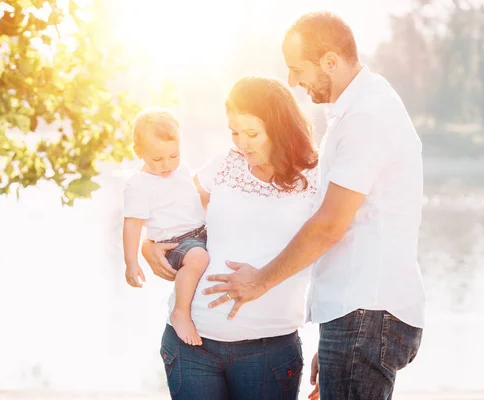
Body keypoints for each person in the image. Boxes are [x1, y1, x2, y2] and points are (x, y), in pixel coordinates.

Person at [203, 12, 425, 400]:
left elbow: (329, 225)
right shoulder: (356, 110)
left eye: (296, 69)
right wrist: (333, 335)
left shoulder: (366, 117)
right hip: (356, 315)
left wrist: (260, 280)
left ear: (329, 62)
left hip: (367, 313)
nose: (292, 81)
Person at [142, 76, 318, 399]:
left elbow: (330, 257)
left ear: (280, 128)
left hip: (269, 352)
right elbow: (174, 209)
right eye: (235, 132)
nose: (242, 143)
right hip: (192, 347)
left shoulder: (315, 178)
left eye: (252, 133)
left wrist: (329, 346)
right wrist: (148, 244)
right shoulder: (224, 164)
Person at [122, 107, 209, 346]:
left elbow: (195, 197)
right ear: (139, 152)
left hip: (201, 232)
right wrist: (131, 262)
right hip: (175, 243)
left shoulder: (181, 169)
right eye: (157, 159)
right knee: (198, 257)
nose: (167, 165)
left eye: (173, 155)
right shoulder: (138, 185)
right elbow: (132, 224)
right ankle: (180, 311)